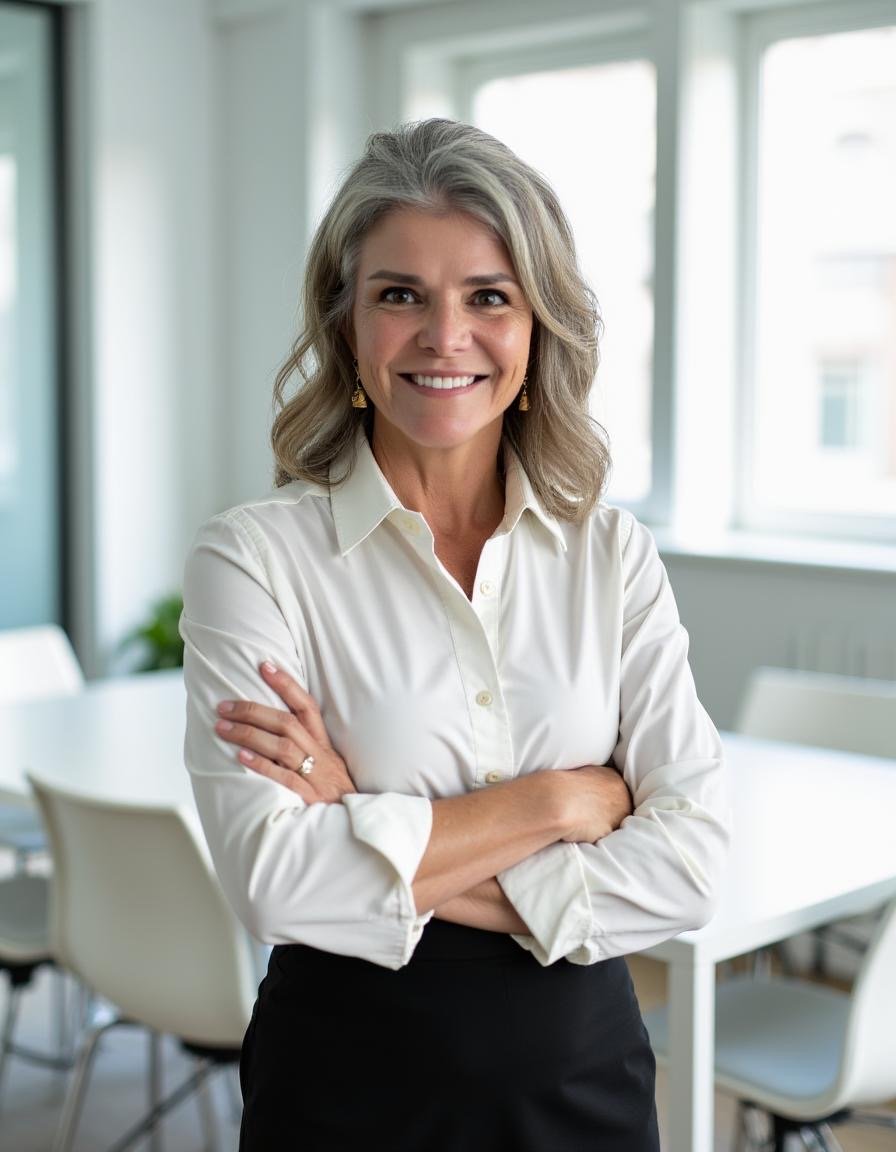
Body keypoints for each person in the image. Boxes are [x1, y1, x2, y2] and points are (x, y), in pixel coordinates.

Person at [181, 118, 728, 1152]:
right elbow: (271, 881)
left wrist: (364, 818)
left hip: (584, 1086)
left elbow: (691, 866)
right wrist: (560, 801)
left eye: (487, 297)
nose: (444, 337)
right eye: (400, 295)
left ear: (536, 329)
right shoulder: (252, 560)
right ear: (346, 326)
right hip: (341, 1086)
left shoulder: (609, 557)